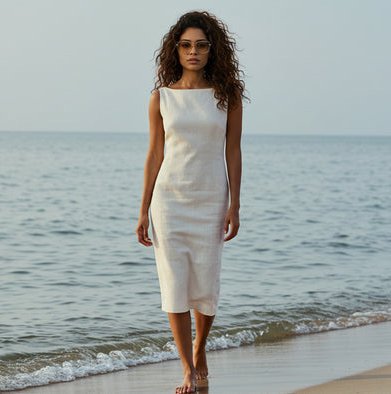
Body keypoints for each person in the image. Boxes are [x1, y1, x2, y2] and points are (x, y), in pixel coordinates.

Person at [136, 10, 245, 394]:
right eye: (185, 46)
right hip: (168, 201)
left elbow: (233, 151)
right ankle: (186, 368)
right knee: (174, 284)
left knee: (206, 283)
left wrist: (235, 204)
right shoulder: (161, 98)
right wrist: (143, 209)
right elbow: (154, 155)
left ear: (212, 49)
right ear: (176, 50)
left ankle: (200, 347)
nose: (193, 52)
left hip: (211, 197)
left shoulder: (226, 96)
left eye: (200, 45)